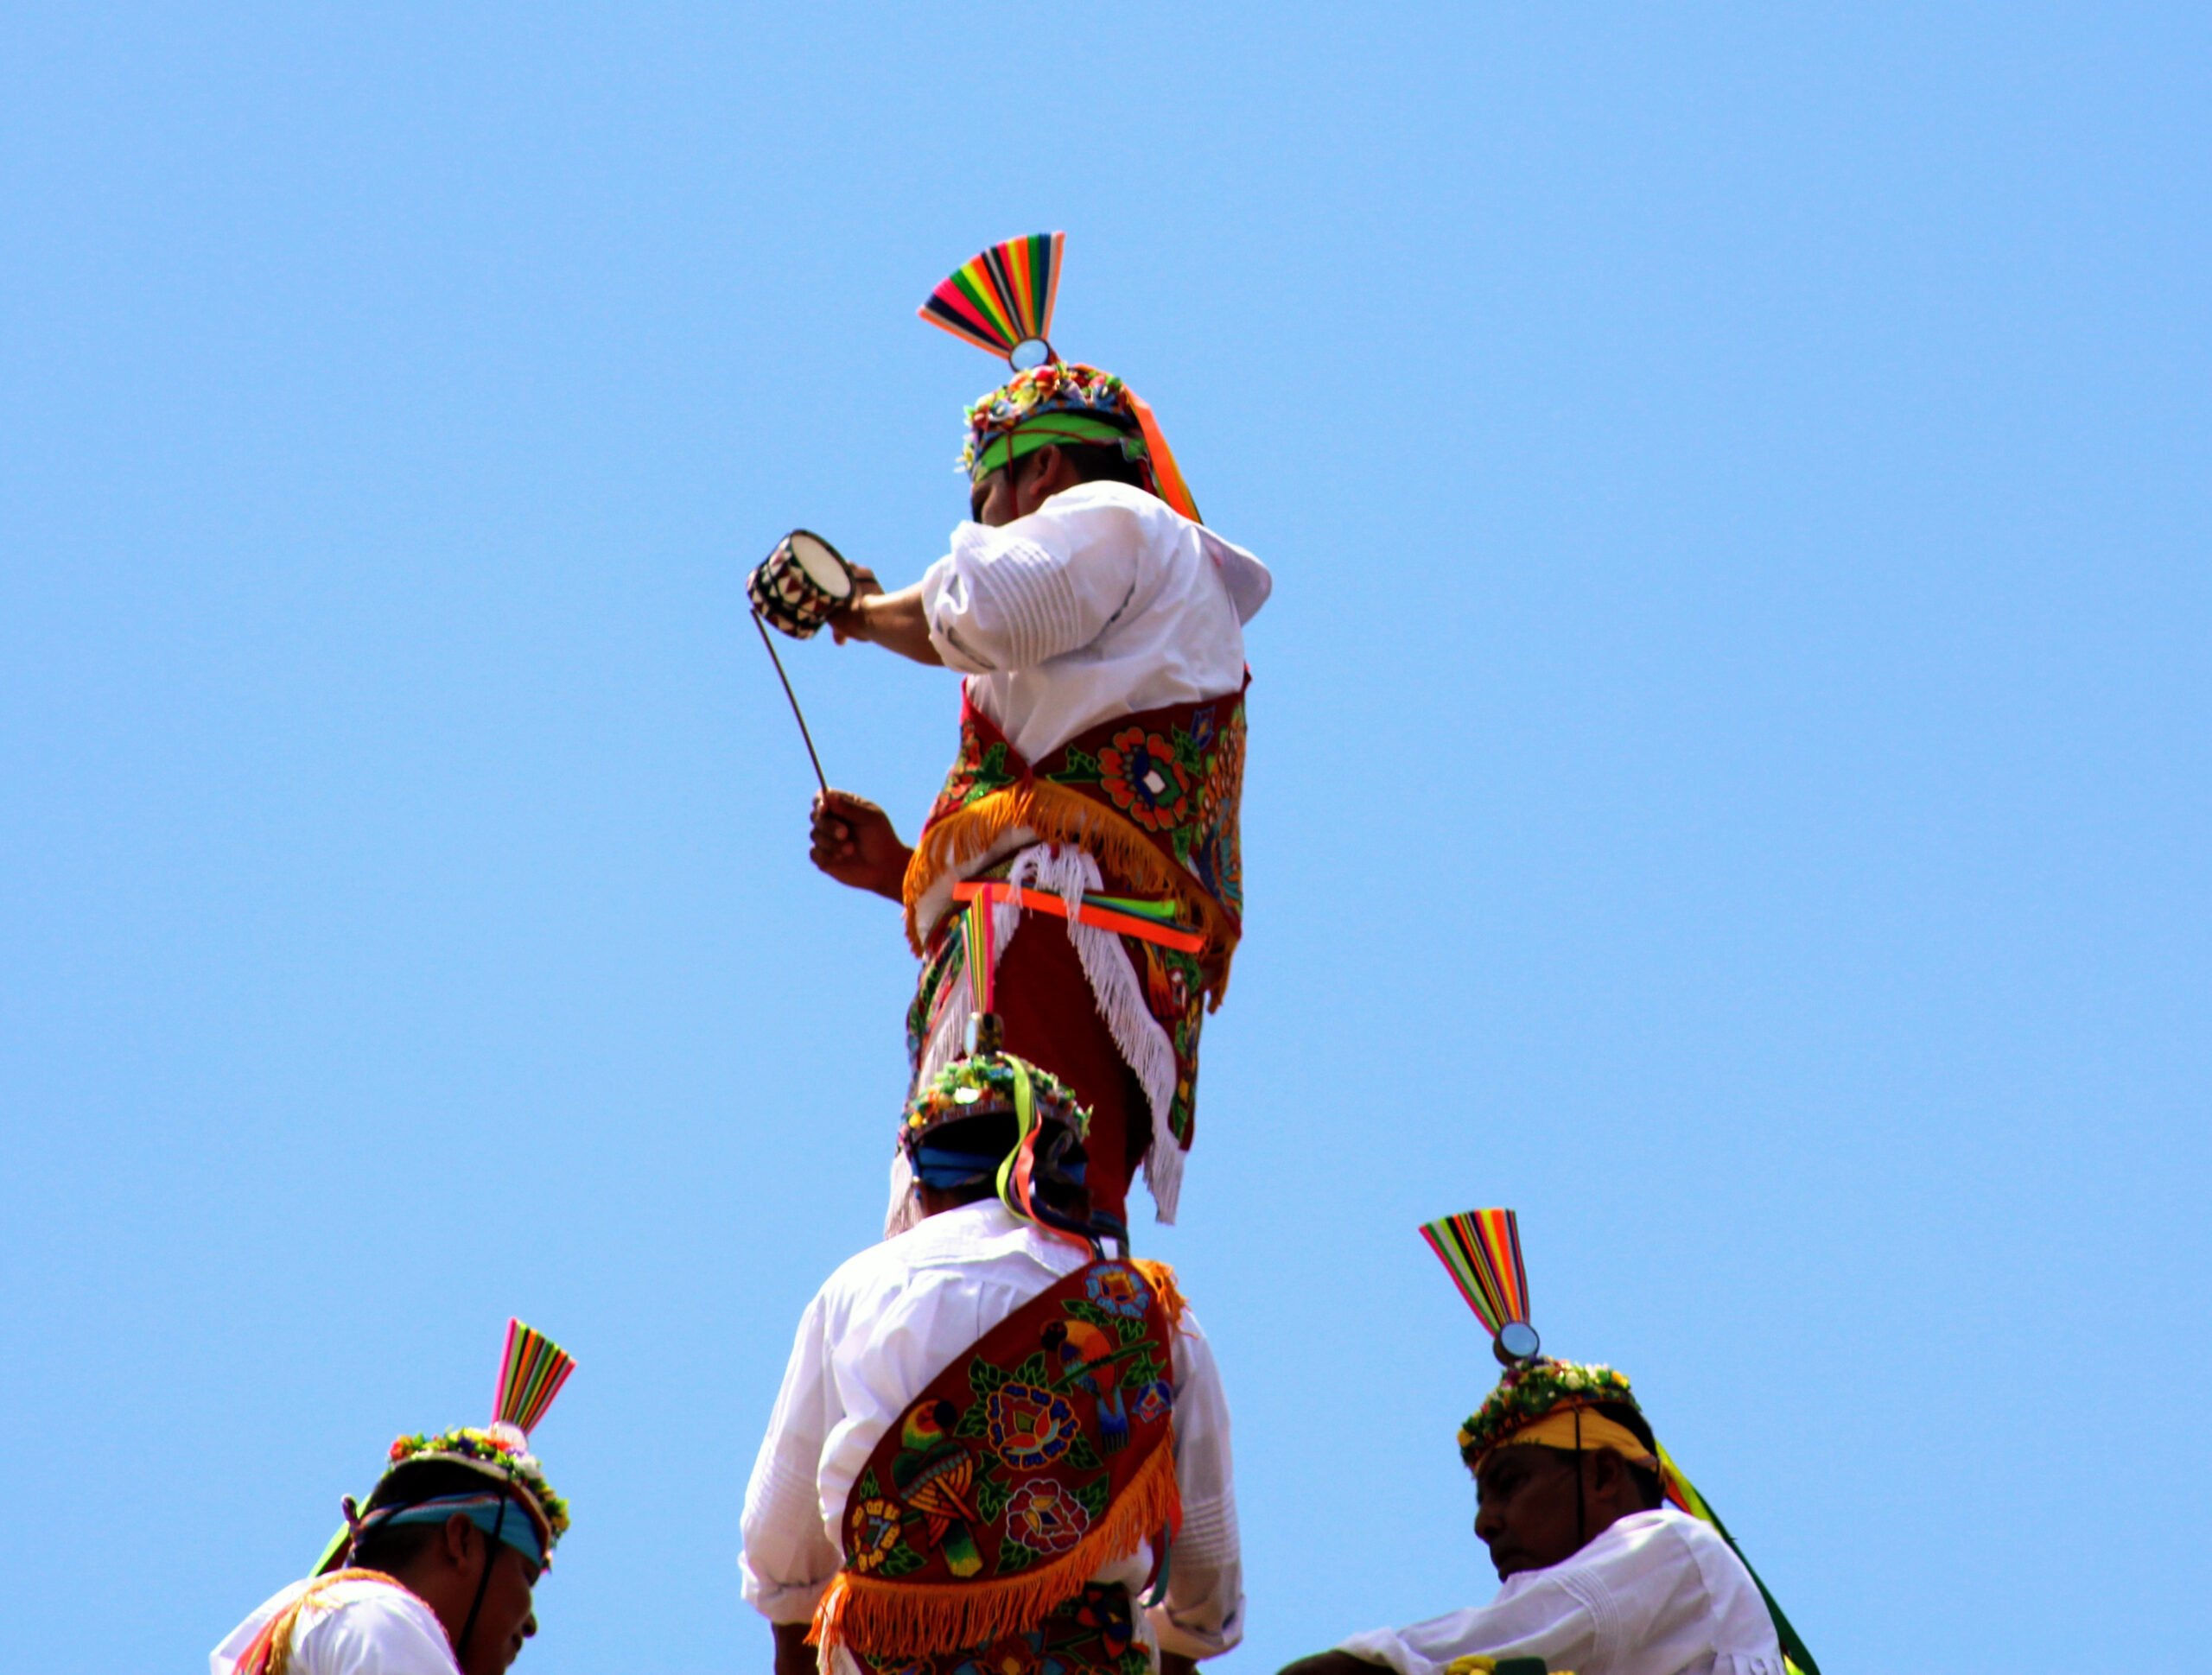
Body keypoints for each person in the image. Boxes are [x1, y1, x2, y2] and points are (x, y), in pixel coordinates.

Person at [809, 241, 1270, 1240]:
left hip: (1061, 927)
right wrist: (902, 870)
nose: (986, 525)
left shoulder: (1113, 517)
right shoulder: (1152, 593)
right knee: (1008, 1226)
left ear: (1044, 470)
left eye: (987, 502)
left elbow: (983, 603)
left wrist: (856, 608)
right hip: (1050, 929)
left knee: (994, 1227)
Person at [740, 1040, 1243, 1675]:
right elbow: (1205, 1557)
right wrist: (1181, 1645)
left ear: (920, 1189)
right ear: (1072, 1191)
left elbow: (779, 1542)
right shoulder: (1147, 1311)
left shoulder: (854, 1290)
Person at [1277, 1359, 1809, 1675]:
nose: (1484, 1524)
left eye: (1510, 1485)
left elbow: (1478, 1642)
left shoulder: (1670, 1544)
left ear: (1602, 1475)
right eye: (1482, 1500)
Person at [212, 1325, 574, 1675]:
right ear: (462, 1540)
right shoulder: (380, 1617)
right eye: (526, 1576)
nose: (531, 1625)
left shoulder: (315, 1623)